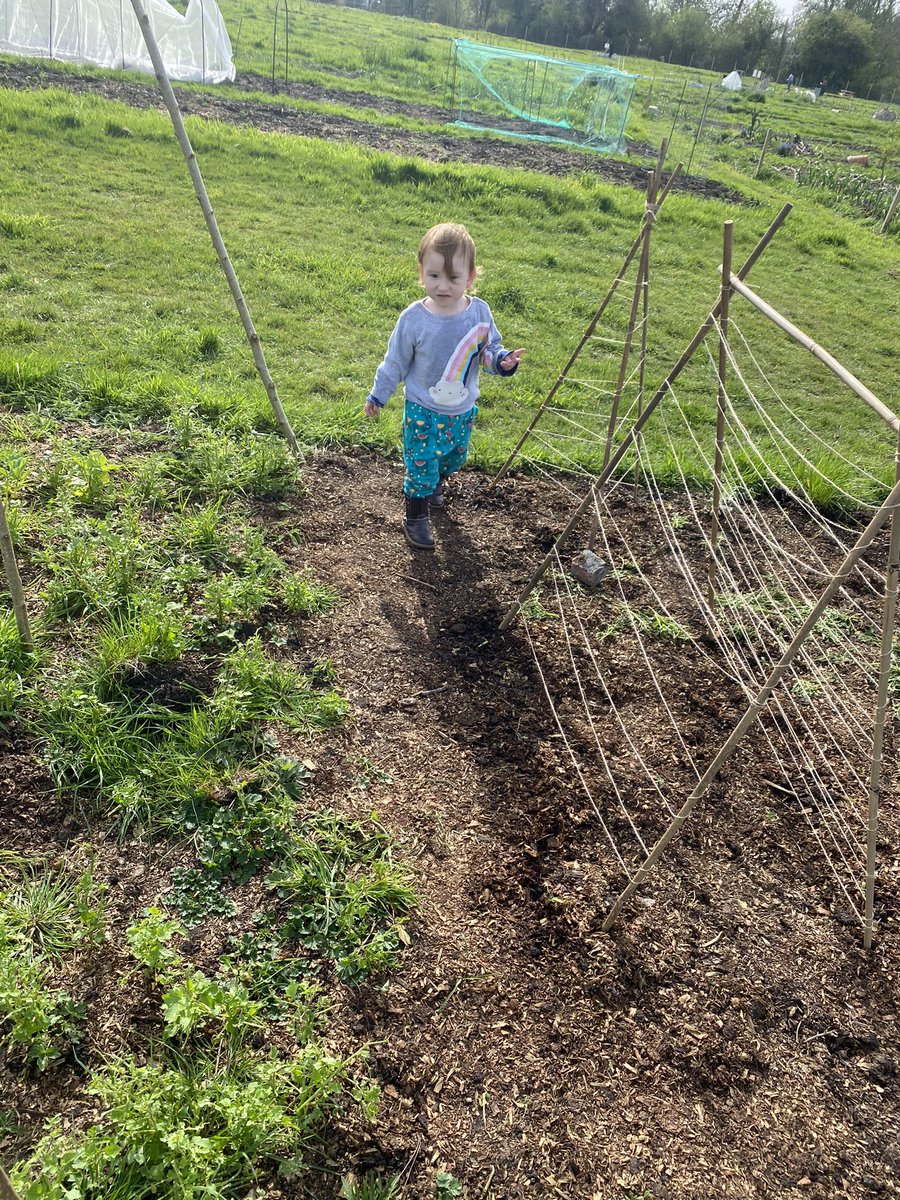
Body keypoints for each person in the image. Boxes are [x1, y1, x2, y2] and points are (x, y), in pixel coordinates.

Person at [364, 223, 525, 550]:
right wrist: (379, 395)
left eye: (453, 278)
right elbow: (395, 361)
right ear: (422, 273)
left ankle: (437, 481)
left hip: (461, 410)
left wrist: (502, 360)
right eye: (434, 276)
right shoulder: (414, 319)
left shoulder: (479, 313)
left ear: (470, 277)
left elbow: (487, 349)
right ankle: (416, 517)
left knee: (454, 458)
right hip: (423, 409)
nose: (443, 285)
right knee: (421, 464)